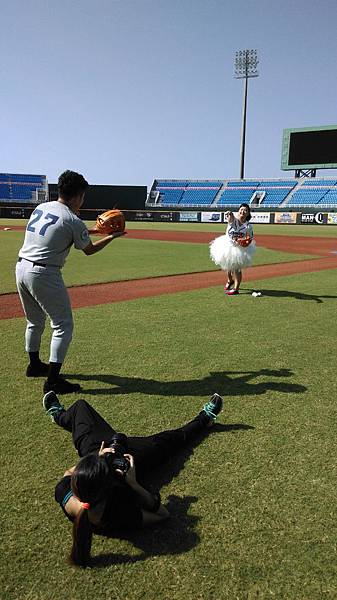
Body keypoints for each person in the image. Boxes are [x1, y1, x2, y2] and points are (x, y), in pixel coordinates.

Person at [43, 391, 224, 567]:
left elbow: (68, 474)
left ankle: (60, 417)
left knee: (80, 408)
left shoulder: (65, 494)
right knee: (168, 441)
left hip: (98, 454)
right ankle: (205, 419)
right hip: (128, 461)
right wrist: (133, 483)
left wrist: (99, 457)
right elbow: (162, 514)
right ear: (111, 487)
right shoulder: (117, 514)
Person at [15, 170, 126, 394]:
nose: (82, 201)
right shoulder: (72, 219)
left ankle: (34, 365)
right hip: (44, 274)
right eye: (82, 196)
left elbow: (66, 231)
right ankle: (53, 381)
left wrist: (95, 229)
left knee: (35, 321)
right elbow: (89, 249)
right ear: (77, 196)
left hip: (21, 268)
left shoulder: (42, 207)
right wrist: (111, 237)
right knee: (63, 325)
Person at [209, 203, 256, 295]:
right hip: (227, 246)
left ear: (248, 213)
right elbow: (230, 217)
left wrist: (245, 242)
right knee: (228, 267)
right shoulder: (233, 220)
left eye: (245, 210)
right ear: (238, 211)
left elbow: (250, 238)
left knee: (237, 269)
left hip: (239, 249)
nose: (243, 211)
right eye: (241, 209)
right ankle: (230, 280)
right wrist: (229, 213)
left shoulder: (248, 226)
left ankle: (236, 289)